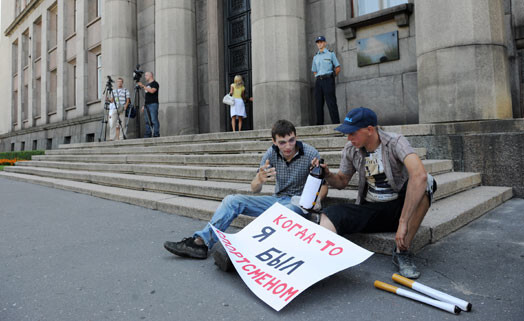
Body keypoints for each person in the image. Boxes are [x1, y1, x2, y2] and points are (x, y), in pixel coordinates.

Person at [164, 119, 328, 263]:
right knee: (232, 200)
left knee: (285, 212)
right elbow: (254, 188)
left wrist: (316, 201)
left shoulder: (310, 153)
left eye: (291, 140)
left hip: (298, 203)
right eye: (282, 142)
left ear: (296, 137)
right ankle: (201, 243)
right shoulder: (271, 154)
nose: (288, 146)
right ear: (274, 141)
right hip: (277, 200)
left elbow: (324, 185)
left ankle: (243, 253)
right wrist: (260, 179)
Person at [315, 107, 437, 279]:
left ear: (370, 130)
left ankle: (402, 251)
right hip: (371, 208)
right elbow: (341, 181)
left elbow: (419, 174)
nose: (348, 138)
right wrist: (327, 174)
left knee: (428, 182)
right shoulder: (351, 149)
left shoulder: (395, 142)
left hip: (399, 208)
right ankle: (318, 260)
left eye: (352, 133)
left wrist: (403, 221)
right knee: (329, 214)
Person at [312, 36, 341, 125]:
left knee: (331, 102)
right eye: (318, 42)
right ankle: (319, 124)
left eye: (321, 42)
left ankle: (336, 123)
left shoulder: (330, 54)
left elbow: (337, 67)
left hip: (328, 80)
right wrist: (317, 77)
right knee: (318, 103)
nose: (319, 44)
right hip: (319, 81)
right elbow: (314, 70)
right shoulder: (315, 57)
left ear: (325, 43)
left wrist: (332, 77)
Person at [137, 72, 160, 138]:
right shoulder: (147, 85)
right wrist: (144, 105)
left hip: (153, 104)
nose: (145, 77)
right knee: (147, 121)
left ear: (151, 76)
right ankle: (148, 134)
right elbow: (147, 97)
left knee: (154, 119)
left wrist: (143, 86)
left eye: (146, 75)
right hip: (147, 105)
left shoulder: (155, 83)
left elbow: (152, 91)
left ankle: (156, 133)